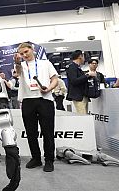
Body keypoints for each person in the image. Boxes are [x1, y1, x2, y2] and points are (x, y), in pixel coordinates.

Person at [14, 42, 58, 172]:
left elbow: (55, 79)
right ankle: (36, 158)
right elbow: (17, 72)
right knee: (31, 132)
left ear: (32, 50)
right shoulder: (20, 65)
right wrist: (17, 62)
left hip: (45, 100)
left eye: (26, 52)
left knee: (48, 131)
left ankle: (49, 160)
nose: (24, 55)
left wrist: (49, 88)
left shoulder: (46, 63)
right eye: (21, 54)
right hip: (28, 101)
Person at [66, 50, 96, 114]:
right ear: (80, 57)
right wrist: (87, 75)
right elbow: (74, 81)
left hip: (83, 95)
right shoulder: (72, 67)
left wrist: (89, 76)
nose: (84, 59)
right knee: (82, 116)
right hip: (78, 96)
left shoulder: (77, 68)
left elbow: (81, 79)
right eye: (83, 57)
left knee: (85, 115)